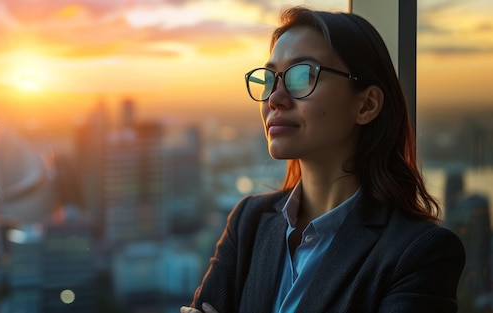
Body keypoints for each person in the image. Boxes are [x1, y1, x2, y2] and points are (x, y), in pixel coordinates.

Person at [180, 6, 465, 313]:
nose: (274, 98)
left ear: (366, 105)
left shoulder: (417, 253)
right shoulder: (249, 222)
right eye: (270, 78)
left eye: (302, 76)